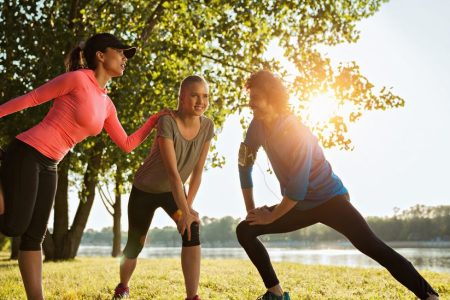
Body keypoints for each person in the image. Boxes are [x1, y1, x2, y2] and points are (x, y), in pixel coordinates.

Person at [235, 70, 440, 300]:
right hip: (298, 205)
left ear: (272, 97)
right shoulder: (257, 126)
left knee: (373, 247)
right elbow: (245, 164)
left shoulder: (296, 131)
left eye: (256, 97)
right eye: (250, 96)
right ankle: (276, 293)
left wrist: (271, 217)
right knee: (245, 230)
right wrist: (252, 211)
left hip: (329, 200)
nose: (251, 103)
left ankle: (429, 295)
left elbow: (298, 188)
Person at [0, 33, 167, 300]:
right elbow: (32, 99)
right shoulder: (77, 79)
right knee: (13, 227)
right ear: (101, 55)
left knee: (34, 238)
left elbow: (125, 143)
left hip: (51, 164)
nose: (125, 58)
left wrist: (153, 121)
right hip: (28, 153)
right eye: (120, 51)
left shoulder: (106, 104)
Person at [112, 75, 214, 300]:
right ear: (181, 97)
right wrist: (185, 211)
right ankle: (123, 287)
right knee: (135, 243)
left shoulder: (207, 126)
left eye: (205, 96)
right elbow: (173, 173)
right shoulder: (167, 122)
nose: (201, 101)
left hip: (172, 193)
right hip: (145, 191)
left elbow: (198, 171)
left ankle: (192, 296)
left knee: (191, 229)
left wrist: (187, 210)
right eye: (195, 95)